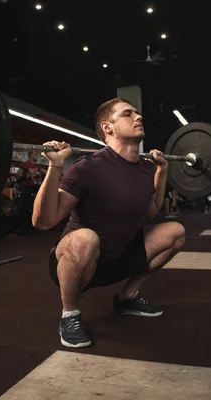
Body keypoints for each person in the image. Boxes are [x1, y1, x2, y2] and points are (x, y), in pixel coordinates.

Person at [31, 98, 186, 348]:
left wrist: (162, 171)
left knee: (175, 232)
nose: (138, 116)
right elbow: (43, 221)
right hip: (80, 261)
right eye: (128, 114)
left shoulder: (146, 170)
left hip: (118, 258)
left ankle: (126, 298)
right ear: (108, 127)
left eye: (137, 112)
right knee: (85, 239)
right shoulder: (87, 168)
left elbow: (152, 211)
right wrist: (55, 166)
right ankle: (69, 314)